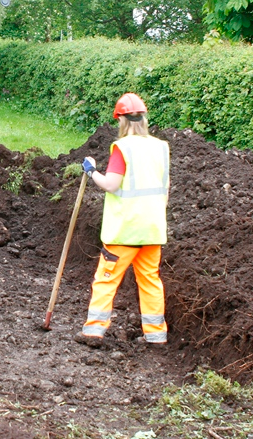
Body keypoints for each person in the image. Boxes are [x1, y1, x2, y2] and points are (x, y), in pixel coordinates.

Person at [76, 92, 170, 348]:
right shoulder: (161, 147)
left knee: (106, 279)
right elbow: (164, 189)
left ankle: (94, 332)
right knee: (150, 281)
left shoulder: (122, 148)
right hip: (152, 230)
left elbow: (111, 184)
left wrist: (91, 170)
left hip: (125, 231)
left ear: (122, 120)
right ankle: (156, 335)